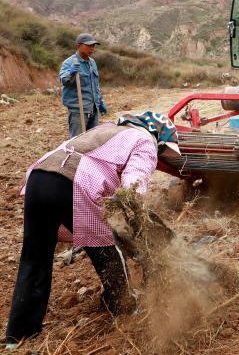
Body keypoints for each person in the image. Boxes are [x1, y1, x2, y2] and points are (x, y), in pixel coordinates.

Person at [3, 112, 180, 347]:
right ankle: (124, 307)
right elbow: (132, 187)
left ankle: (18, 336)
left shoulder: (103, 130)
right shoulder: (144, 140)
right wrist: (139, 227)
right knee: (106, 250)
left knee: (34, 259)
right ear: (158, 137)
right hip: (73, 182)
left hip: (38, 178)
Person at [58, 33, 107, 137]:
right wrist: (70, 73)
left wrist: (100, 101)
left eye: (93, 46)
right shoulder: (69, 62)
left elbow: (95, 85)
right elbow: (63, 81)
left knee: (92, 140)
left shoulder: (92, 62)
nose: (92, 48)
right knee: (77, 142)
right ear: (78, 45)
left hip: (93, 108)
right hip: (78, 110)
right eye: (89, 45)